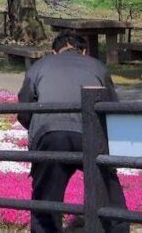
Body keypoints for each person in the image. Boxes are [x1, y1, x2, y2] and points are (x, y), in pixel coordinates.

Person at [17, 32, 128, 233]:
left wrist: (37, 131)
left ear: (54, 51)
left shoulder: (39, 66)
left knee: (46, 199)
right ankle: (118, 228)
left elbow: (24, 110)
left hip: (50, 134)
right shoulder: (97, 66)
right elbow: (112, 107)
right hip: (91, 133)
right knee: (109, 192)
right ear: (84, 51)